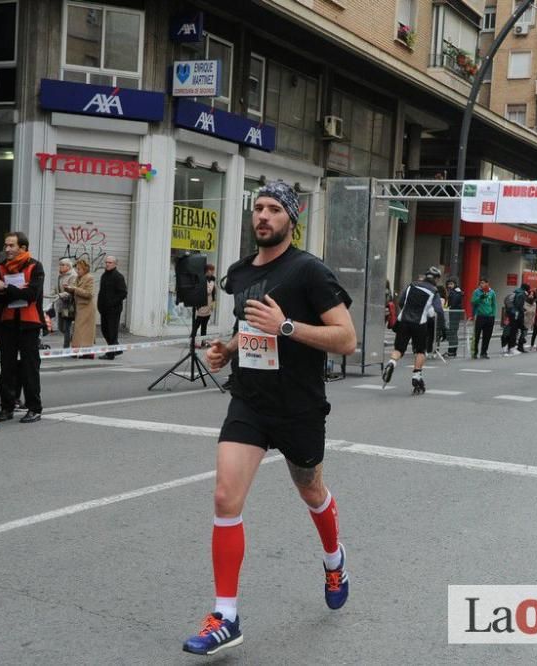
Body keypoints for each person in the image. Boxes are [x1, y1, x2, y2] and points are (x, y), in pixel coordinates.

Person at [184, 181, 356, 656]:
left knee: (311, 489)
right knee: (224, 497)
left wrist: (285, 326)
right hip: (250, 401)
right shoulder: (239, 273)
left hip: (298, 406)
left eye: (274, 209)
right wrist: (228, 349)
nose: (263, 215)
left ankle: (334, 558)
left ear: (290, 219)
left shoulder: (309, 271)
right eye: (257, 207)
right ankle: (226, 615)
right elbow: (248, 326)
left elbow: (346, 339)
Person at [0, 232, 46, 424]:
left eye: (11, 246)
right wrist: (5, 291)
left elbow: (31, 294)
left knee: (30, 367)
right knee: (6, 368)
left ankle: (34, 408)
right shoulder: (2, 267)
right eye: (6, 245)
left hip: (29, 324)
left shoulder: (35, 266)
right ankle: (6, 407)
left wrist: (5, 289)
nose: (7, 249)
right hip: (7, 323)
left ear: (22, 248)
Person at [382, 266, 445, 394]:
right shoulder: (434, 291)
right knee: (420, 350)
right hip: (419, 323)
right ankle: (416, 376)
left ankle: (391, 363)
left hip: (404, 321)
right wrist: (441, 326)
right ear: (437, 279)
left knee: (399, 349)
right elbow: (438, 310)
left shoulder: (412, 285)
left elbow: (400, 301)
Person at [97, 255, 127, 359]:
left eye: (110, 263)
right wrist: (99, 305)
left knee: (112, 331)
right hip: (104, 309)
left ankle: (110, 354)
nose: (107, 264)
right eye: (106, 262)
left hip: (114, 310)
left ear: (115, 264)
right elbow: (102, 292)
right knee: (105, 330)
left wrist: (112, 303)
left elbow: (123, 293)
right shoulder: (104, 275)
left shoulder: (118, 276)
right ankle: (116, 349)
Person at [67, 259, 96, 351]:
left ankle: (83, 350)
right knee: (79, 330)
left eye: (79, 269)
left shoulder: (89, 278)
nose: (77, 271)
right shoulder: (78, 278)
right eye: (76, 269)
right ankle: (78, 349)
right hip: (79, 307)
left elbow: (89, 294)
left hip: (86, 307)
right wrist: (68, 288)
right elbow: (74, 290)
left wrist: (75, 288)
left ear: (85, 269)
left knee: (83, 330)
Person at [469, 277, 496, 359]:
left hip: (489, 316)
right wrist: (481, 297)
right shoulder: (477, 292)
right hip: (479, 315)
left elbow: (494, 304)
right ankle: (474, 352)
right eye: (480, 283)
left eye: (483, 283)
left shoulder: (492, 292)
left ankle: (484, 352)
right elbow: (473, 302)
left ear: (487, 284)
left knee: (487, 335)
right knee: (476, 335)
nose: (482, 284)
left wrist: (493, 314)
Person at [192, 264, 217, 344]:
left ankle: (203, 341)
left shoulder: (211, 279)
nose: (213, 272)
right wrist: (212, 282)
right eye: (212, 270)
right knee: (197, 323)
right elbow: (208, 291)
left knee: (204, 325)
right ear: (208, 270)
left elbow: (213, 293)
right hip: (202, 305)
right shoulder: (202, 279)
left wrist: (213, 303)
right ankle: (192, 340)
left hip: (209, 305)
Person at [444, 278, 464, 357]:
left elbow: (453, 303)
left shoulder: (456, 292)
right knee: (451, 333)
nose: (449, 286)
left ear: (455, 284)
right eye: (448, 284)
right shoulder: (455, 292)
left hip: (454, 314)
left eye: (451, 284)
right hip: (452, 314)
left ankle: (452, 351)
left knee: (452, 332)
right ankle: (451, 351)